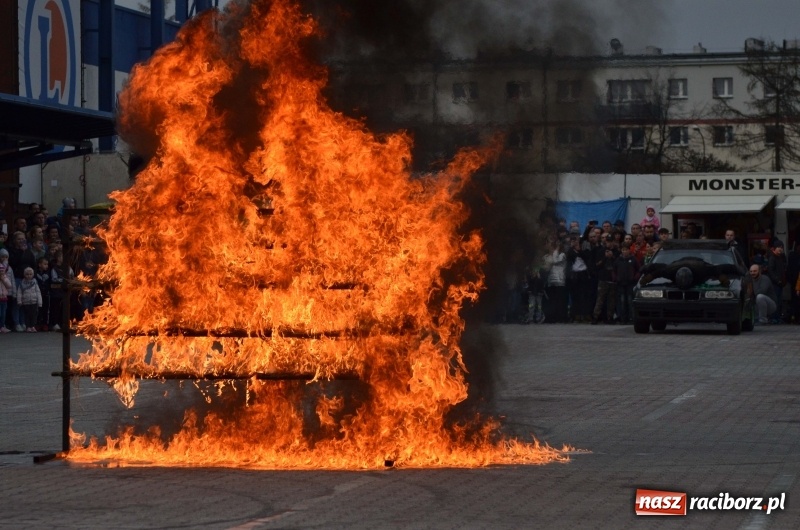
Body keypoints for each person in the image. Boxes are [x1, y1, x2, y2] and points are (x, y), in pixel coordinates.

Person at [7, 231, 36, 331]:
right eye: (19, 239)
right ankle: (16, 323)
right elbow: (14, 263)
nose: (21, 241)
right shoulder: (12, 251)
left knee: (26, 302)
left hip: (28, 279)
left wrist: (32, 275)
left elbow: (33, 263)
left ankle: (24, 322)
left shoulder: (28, 251)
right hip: (17, 278)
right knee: (17, 302)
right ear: (14, 240)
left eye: (23, 239)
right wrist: (21, 252)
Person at [591, 234, 618, 324]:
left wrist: (612, 257)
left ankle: (609, 317)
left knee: (611, 300)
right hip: (603, 278)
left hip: (612, 279)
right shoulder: (601, 251)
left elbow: (619, 264)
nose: (609, 243)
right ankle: (595, 317)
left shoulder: (616, 251)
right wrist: (605, 258)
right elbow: (597, 264)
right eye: (608, 241)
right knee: (600, 299)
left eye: (611, 241)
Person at [614, 245, 640, 325]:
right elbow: (614, 270)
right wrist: (616, 279)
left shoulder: (633, 259)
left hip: (630, 283)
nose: (624, 251)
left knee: (630, 300)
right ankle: (623, 318)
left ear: (629, 250)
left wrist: (635, 278)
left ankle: (632, 317)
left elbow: (639, 269)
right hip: (621, 284)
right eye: (623, 250)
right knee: (622, 301)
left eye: (626, 250)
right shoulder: (618, 260)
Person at [543, 241, 568, 323]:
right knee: (551, 301)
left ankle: (561, 318)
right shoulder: (546, 256)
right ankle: (551, 317)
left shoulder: (562, 255)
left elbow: (555, 261)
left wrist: (556, 250)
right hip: (551, 281)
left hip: (559, 280)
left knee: (559, 301)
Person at [16, 266, 42, 333]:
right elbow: (19, 292)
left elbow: (38, 291)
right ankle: (28, 326)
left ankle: (33, 326)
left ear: (33, 275)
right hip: (26, 302)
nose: (29, 276)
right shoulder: (22, 283)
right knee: (27, 315)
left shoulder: (34, 282)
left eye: (30, 274)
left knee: (34, 315)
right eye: (27, 274)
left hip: (34, 301)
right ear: (24, 275)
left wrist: (40, 302)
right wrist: (19, 301)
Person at [766, 241, 787, 323]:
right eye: (779, 247)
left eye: (782, 247)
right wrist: (777, 280)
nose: (780, 249)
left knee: (779, 301)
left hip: (780, 283)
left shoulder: (780, 257)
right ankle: (773, 317)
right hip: (775, 284)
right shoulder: (772, 258)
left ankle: (777, 317)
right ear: (774, 249)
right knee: (775, 300)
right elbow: (770, 271)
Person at [34, 257, 51, 331]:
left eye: (47, 264)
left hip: (46, 294)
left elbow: (49, 283)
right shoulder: (36, 273)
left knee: (45, 309)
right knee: (38, 309)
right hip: (38, 293)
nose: (46, 266)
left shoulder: (48, 273)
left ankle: (45, 324)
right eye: (45, 264)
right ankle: (38, 323)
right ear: (39, 264)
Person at [0, 249, 12, 333]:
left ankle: (2, 326)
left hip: (4, 297)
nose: (1, 273)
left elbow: (9, 285)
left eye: (2, 271)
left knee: (3, 313)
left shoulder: (5, 278)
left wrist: (3, 279)